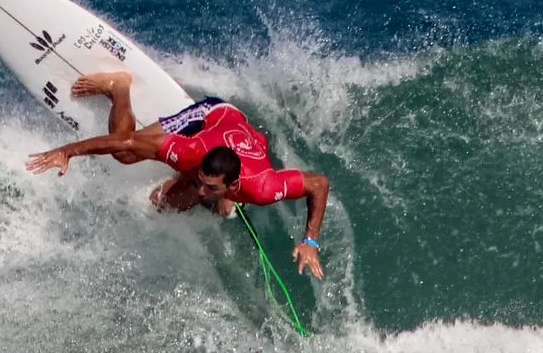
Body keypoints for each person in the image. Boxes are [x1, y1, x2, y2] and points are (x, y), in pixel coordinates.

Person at [25, 72, 331, 279]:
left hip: (242, 144)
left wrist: (311, 241)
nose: (201, 189)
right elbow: (125, 142)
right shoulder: (190, 150)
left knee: (176, 205)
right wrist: (67, 151)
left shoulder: (264, 187)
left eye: (209, 187)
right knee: (125, 157)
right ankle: (118, 86)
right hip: (213, 116)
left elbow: (319, 184)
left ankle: (224, 201)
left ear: (232, 184)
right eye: (200, 181)